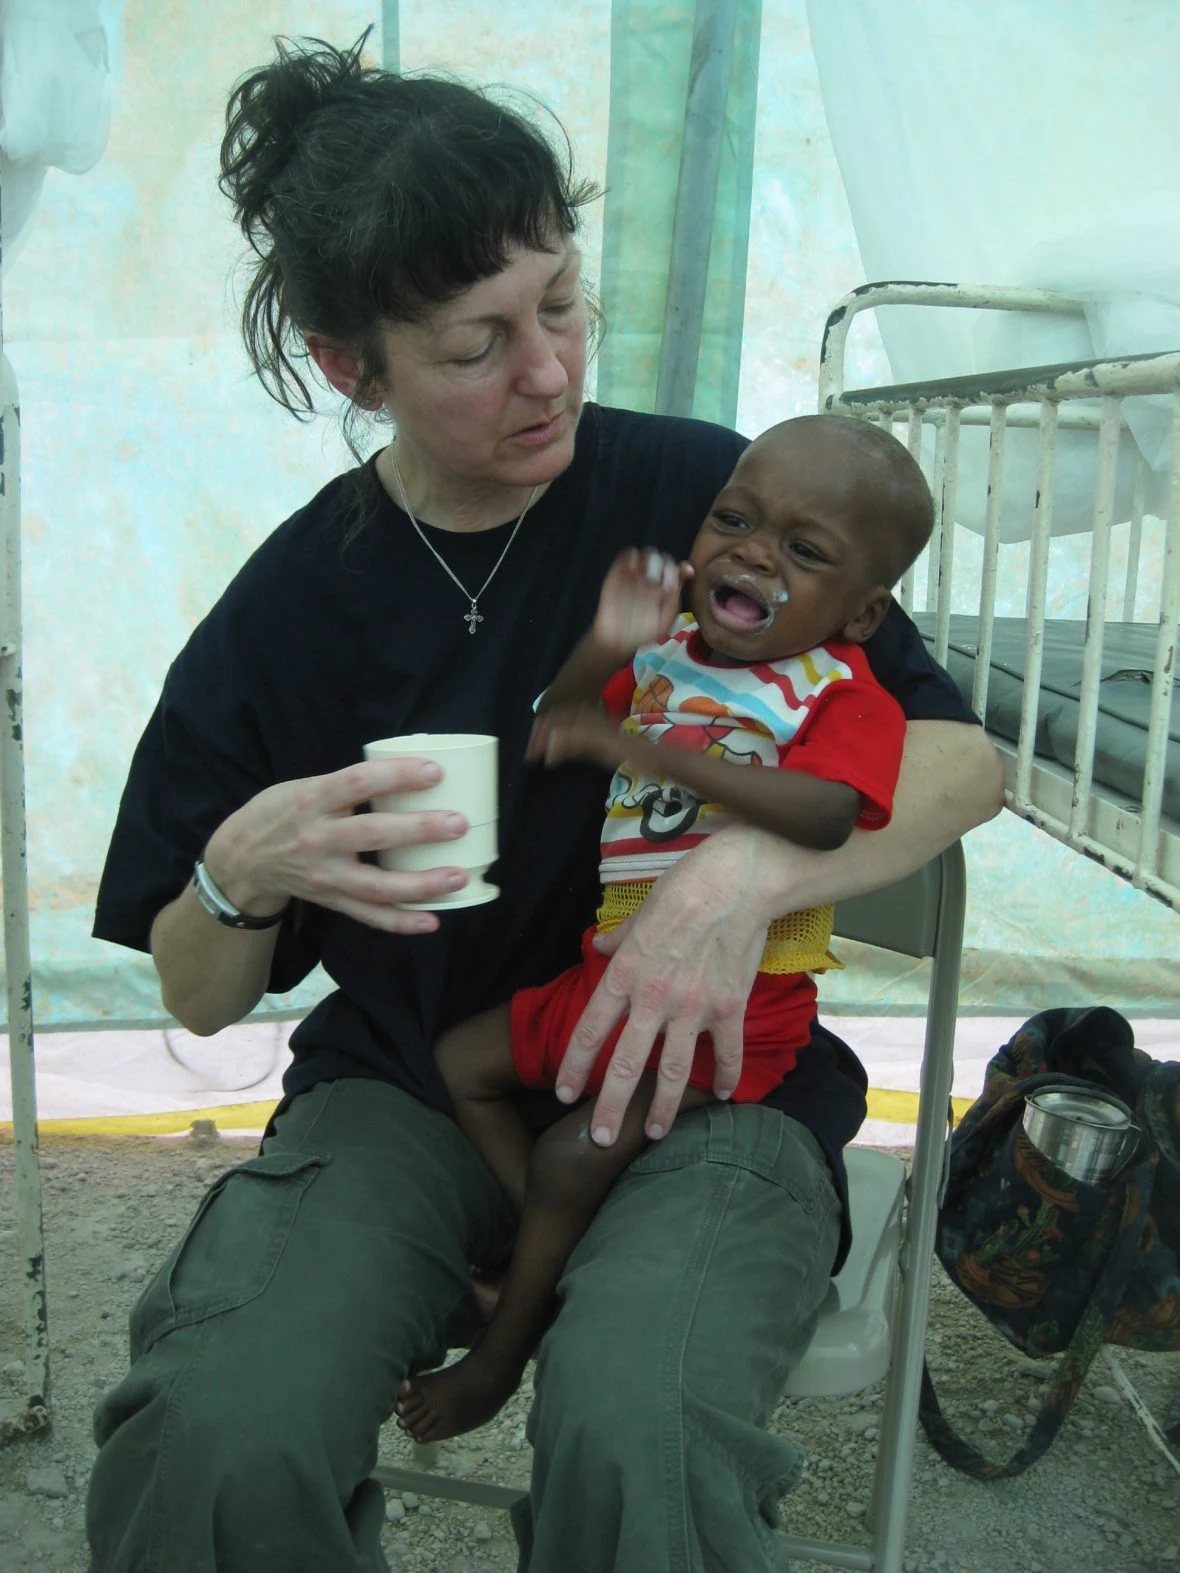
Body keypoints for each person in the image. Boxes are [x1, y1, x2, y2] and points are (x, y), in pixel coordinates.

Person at [85, 33, 1004, 1573]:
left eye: (562, 303)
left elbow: (959, 757)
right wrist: (242, 870)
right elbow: (193, 984)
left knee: (638, 1433)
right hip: (409, 1089)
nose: (553, 369)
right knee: (218, 1432)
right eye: (476, 344)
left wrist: (737, 885)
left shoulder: (707, 497)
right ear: (348, 365)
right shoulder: (294, 609)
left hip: (715, 1088)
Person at [397, 413, 934, 1445]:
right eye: (732, 518)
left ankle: (503, 1349)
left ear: (861, 613)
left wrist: (657, 758)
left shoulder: (839, 690)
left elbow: (829, 813)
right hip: (610, 970)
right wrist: (612, 637)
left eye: (803, 550)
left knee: (567, 1156)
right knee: (461, 1060)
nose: (750, 550)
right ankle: (564, 1253)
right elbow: (559, 723)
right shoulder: (668, 660)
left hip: (739, 1003)